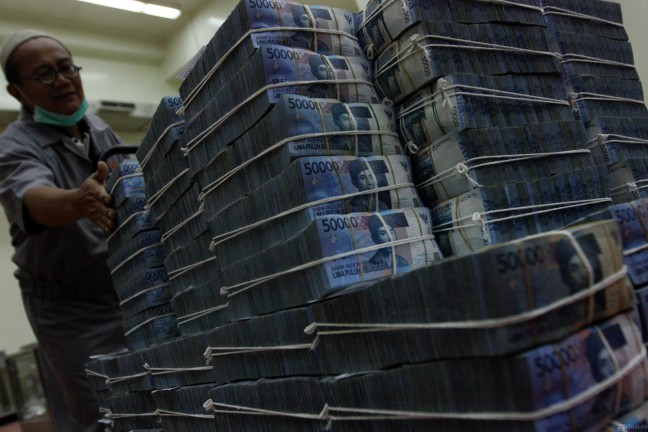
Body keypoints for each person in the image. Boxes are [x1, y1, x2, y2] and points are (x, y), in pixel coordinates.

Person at [0, 29, 126, 432]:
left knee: (151, 398)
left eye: (67, 67)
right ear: (17, 92)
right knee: (101, 413)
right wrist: (79, 201)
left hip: (123, 289)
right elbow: (34, 199)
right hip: (69, 308)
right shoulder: (14, 145)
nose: (63, 80)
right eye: (45, 75)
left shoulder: (99, 129)